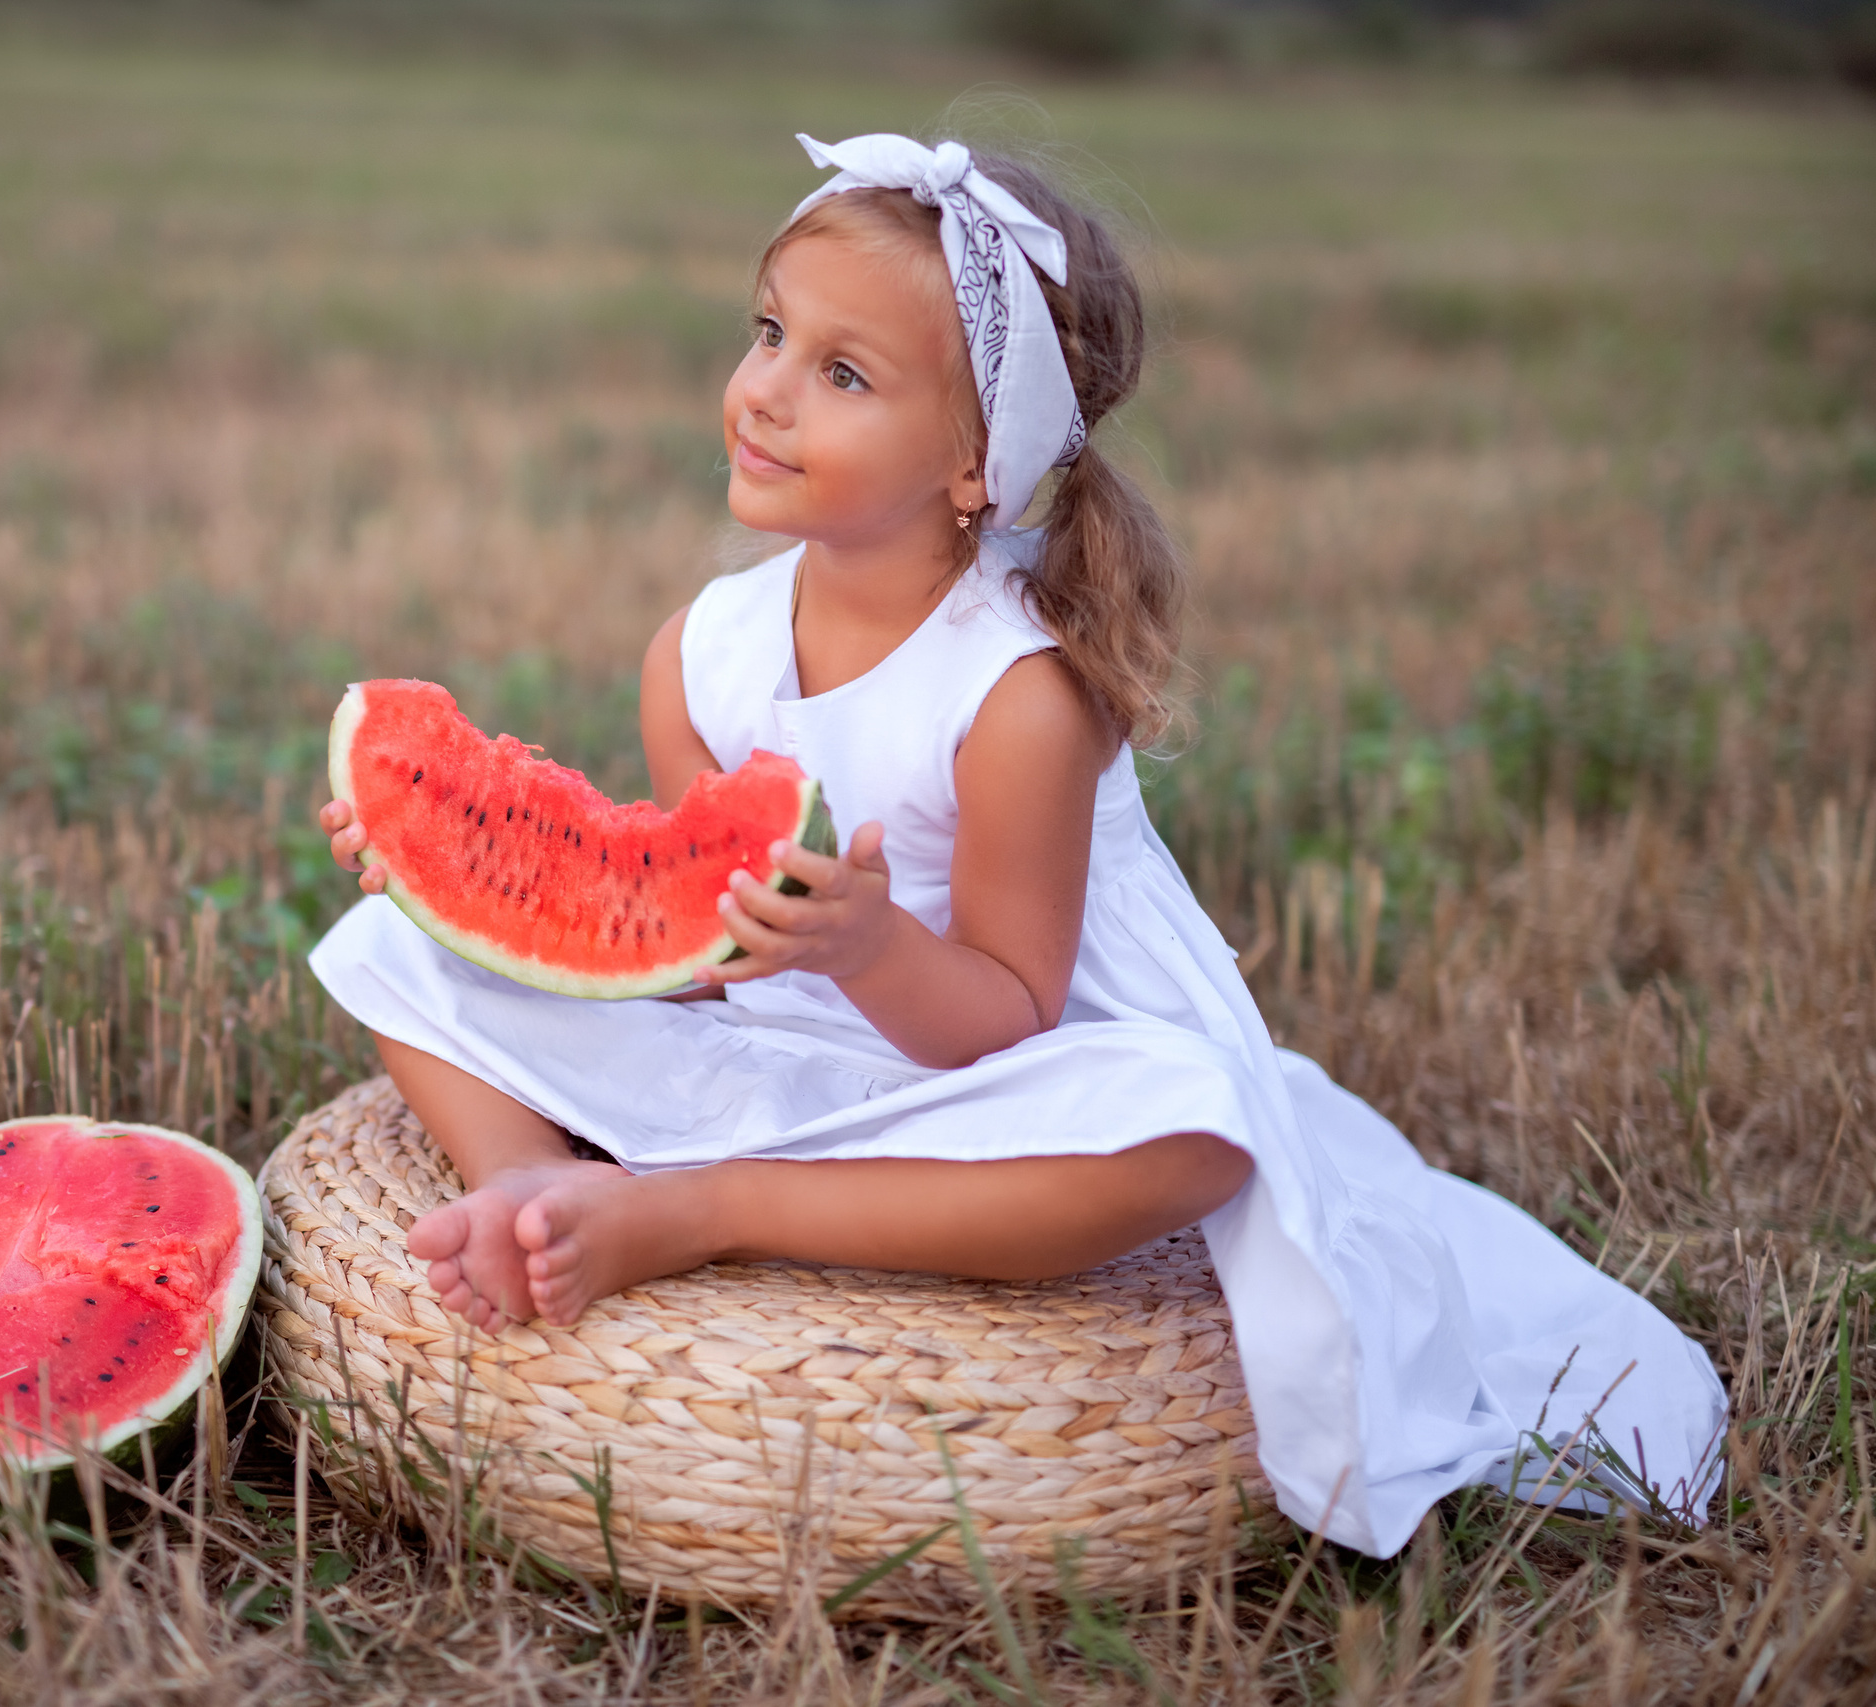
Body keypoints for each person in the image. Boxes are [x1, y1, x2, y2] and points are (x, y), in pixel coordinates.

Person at [308, 133, 1725, 1557]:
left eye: (844, 375)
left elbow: (1007, 1012)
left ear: (975, 464)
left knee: (1194, 1139)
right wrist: (471, 885)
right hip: (780, 1044)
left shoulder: (1019, 695)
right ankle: (527, 1185)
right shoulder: (700, 654)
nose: (767, 391)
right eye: (771, 333)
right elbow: (699, 955)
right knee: (387, 954)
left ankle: (699, 1211)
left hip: (981, 1079)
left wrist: (869, 946)